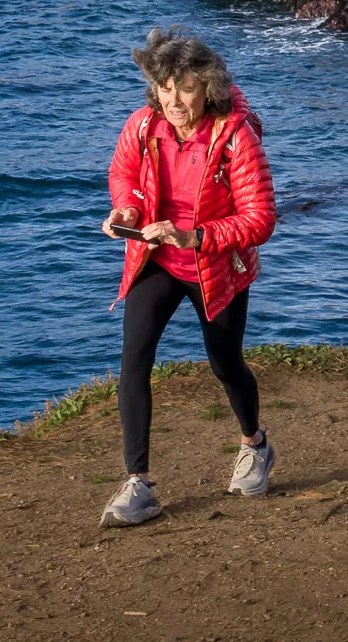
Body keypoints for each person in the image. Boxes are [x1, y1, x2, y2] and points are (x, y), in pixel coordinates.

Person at [99, 26, 278, 528]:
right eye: (165, 87)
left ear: (209, 88)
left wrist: (193, 236)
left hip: (215, 263)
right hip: (157, 259)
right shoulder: (142, 126)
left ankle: (254, 445)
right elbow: (125, 176)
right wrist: (128, 212)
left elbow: (260, 219)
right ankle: (139, 483)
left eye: (186, 88)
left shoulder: (235, 137)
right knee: (135, 357)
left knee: (225, 364)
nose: (174, 100)